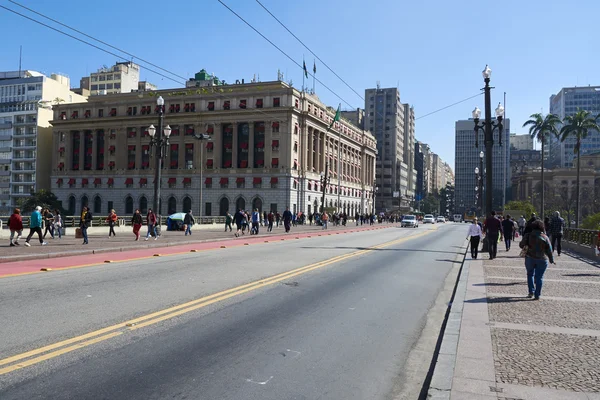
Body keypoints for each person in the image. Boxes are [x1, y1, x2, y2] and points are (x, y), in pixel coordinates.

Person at [519, 220, 555, 300]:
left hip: (530, 257)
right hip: (542, 259)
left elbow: (521, 245)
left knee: (530, 274)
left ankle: (531, 291)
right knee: (539, 277)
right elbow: (549, 249)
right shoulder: (545, 237)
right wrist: (551, 259)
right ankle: (537, 294)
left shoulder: (528, 235)